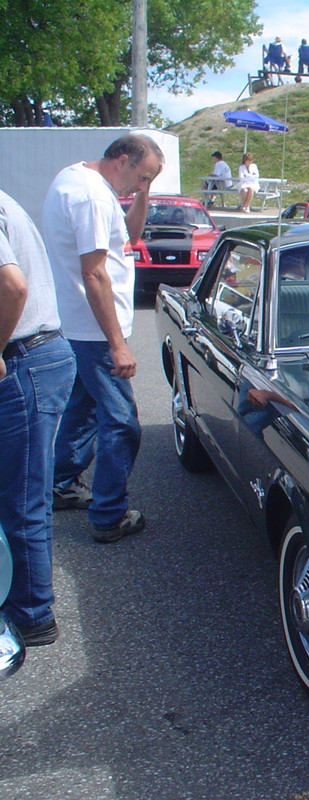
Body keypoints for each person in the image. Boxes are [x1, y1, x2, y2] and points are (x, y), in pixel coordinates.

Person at [41, 135, 163, 544]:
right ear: (121, 159)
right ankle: (109, 515)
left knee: (82, 409)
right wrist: (117, 343)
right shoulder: (91, 197)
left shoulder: (82, 182)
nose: (139, 185)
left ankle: (60, 484)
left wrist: (142, 193)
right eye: (141, 176)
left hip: (81, 326)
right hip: (94, 330)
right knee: (122, 422)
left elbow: (129, 236)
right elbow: (93, 274)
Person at [0, 189, 76, 645]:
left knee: (22, 497)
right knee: (19, 491)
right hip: (37, 355)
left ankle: (31, 613)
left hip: (25, 357)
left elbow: (12, 286)